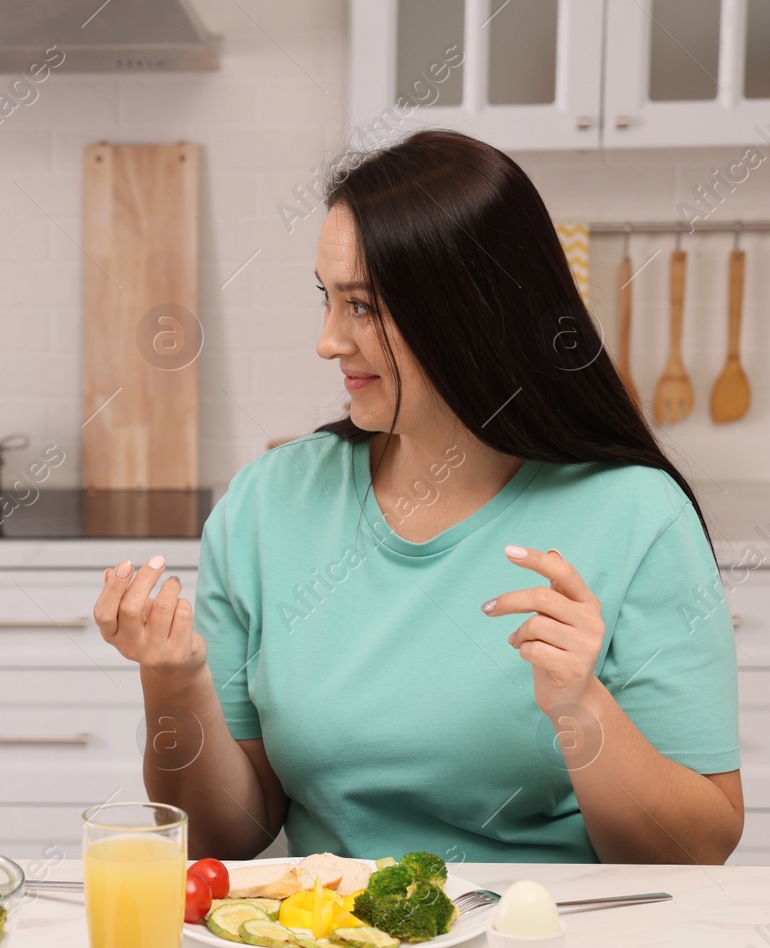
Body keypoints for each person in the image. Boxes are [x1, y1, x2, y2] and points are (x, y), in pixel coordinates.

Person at [95, 130, 742, 864]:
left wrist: (582, 707)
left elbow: (701, 850)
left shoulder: (636, 515)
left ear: (472, 313)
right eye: (326, 299)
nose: (329, 340)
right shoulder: (267, 507)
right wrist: (174, 682)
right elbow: (223, 836)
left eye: (363, 307)